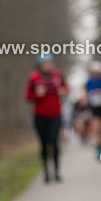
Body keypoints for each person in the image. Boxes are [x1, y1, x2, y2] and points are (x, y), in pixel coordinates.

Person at [24, 53, 69, 183]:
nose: (48, 66)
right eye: (45, 64)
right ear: (40, 66)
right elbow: (28, 96)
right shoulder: (34, 78)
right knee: (44, 144)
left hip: (55, 115)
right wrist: (37, 95)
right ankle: (46, 172)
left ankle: (56, 172)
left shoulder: (58, 75)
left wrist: (64, 91)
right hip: (40, 116)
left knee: (54, 142)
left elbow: (66, 88)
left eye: (50, 63)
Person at [84, 60, 101, 159]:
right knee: (96, 127)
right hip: (94, 108)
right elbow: (86, 93)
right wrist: (85, 101)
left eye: (98, 72)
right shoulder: (89, 81)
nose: (96, 74)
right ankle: (98, 148)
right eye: (95, 72)